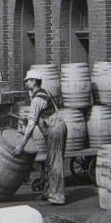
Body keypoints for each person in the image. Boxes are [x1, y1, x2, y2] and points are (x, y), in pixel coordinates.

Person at [22, 68, 68, 206]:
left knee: (55, 162)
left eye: (28, 80)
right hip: (58, 126)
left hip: (55, 129)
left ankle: (58, 196)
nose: (26, 83)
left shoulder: (37, 99)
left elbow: (31, 126)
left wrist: (21, 145)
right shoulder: (44, 92)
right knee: (50, 161)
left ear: (35, 81)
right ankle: (49, 191)